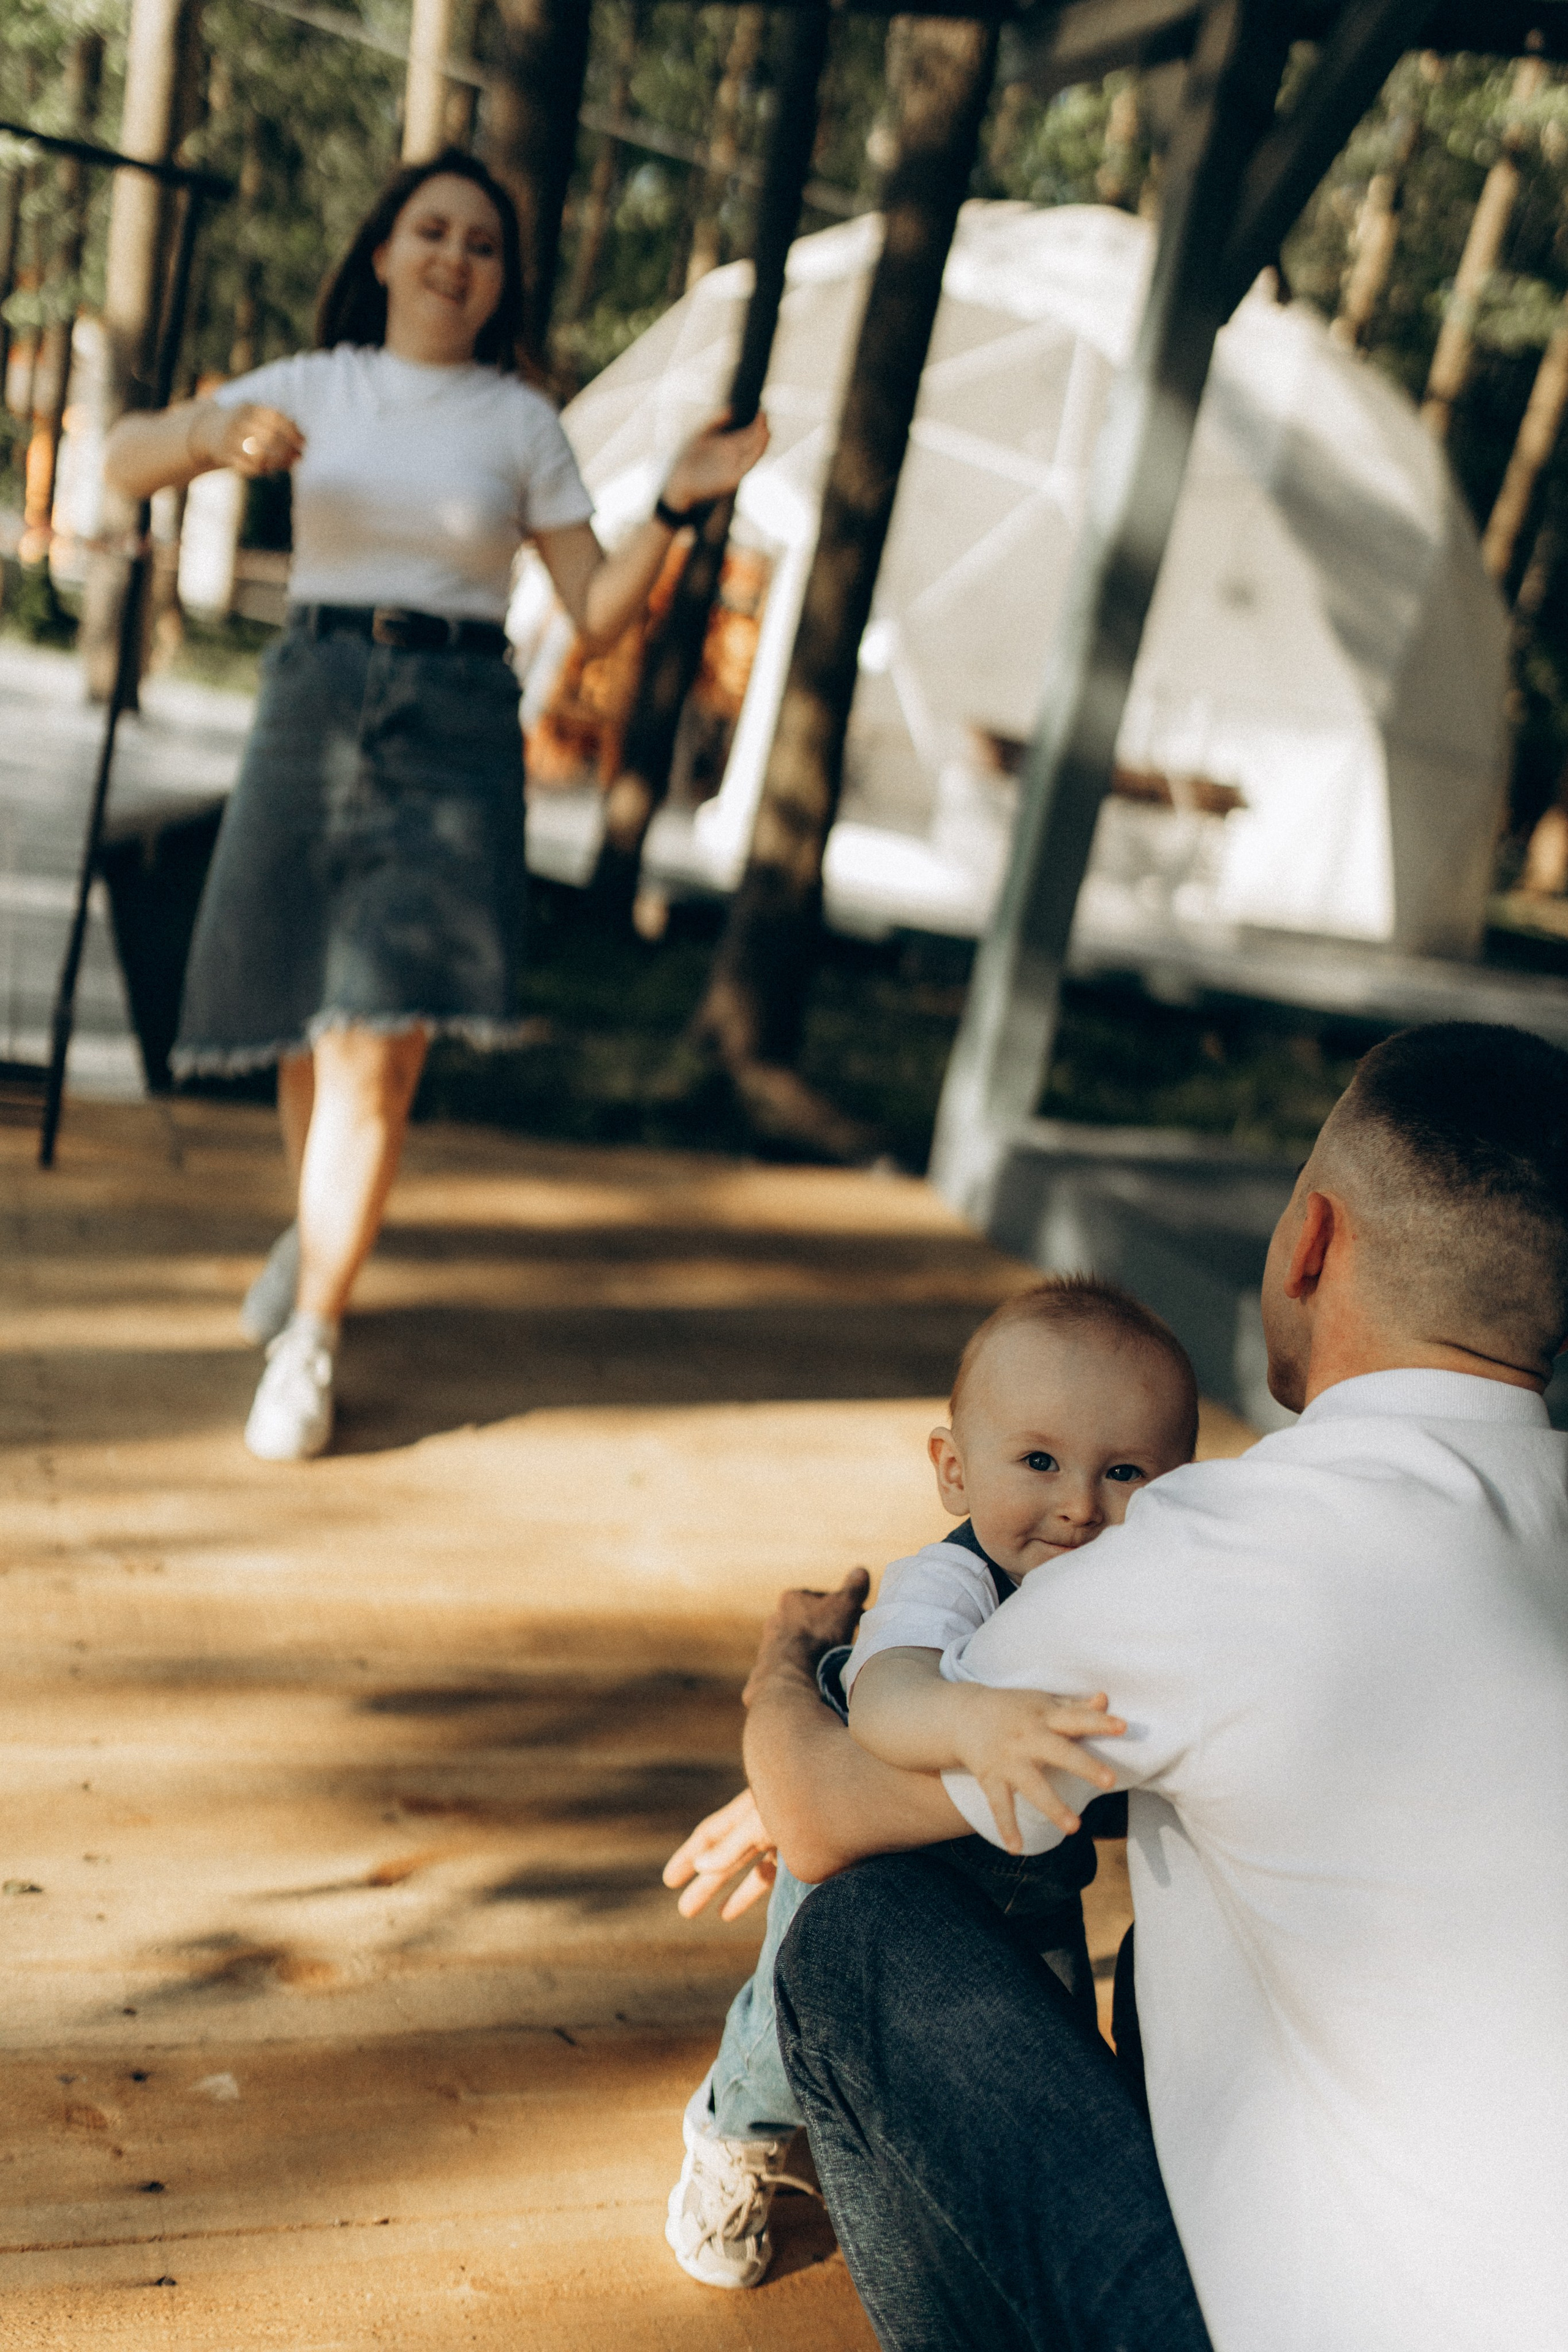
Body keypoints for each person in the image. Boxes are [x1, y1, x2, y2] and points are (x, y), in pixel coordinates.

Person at [704, 1020, 1568, 2352]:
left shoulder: (1223, 1554)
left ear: (1308, 1243)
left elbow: (820, 1813)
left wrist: (783, 1668)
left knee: (860, 1933)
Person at [103, 148, 766, 1462]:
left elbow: (594, 608)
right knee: (309, 1030)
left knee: (378, 1047)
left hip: (453, 721)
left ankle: (314, 1337)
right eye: (433, 231)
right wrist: (211, 437)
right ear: (384, 251)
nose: (457, 257)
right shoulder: (317, 383)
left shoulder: (520, 422)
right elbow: (125, 460)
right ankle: (316, 1238)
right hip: (312, 699)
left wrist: (677, 505)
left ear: (502, 279)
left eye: (484, 243)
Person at [663, 1275, 1197, 2289]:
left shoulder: (1140, 1598)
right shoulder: (947, 1583)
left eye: (1125, 1472)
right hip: (873, 1872)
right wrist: (975, 1720)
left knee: (1046, 2044)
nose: (1080, 1505)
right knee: (782, 2042)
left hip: (1036, 1889)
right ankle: (732, 2133)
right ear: (955, 1471)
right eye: (1038, 1462)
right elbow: (887, 1696)